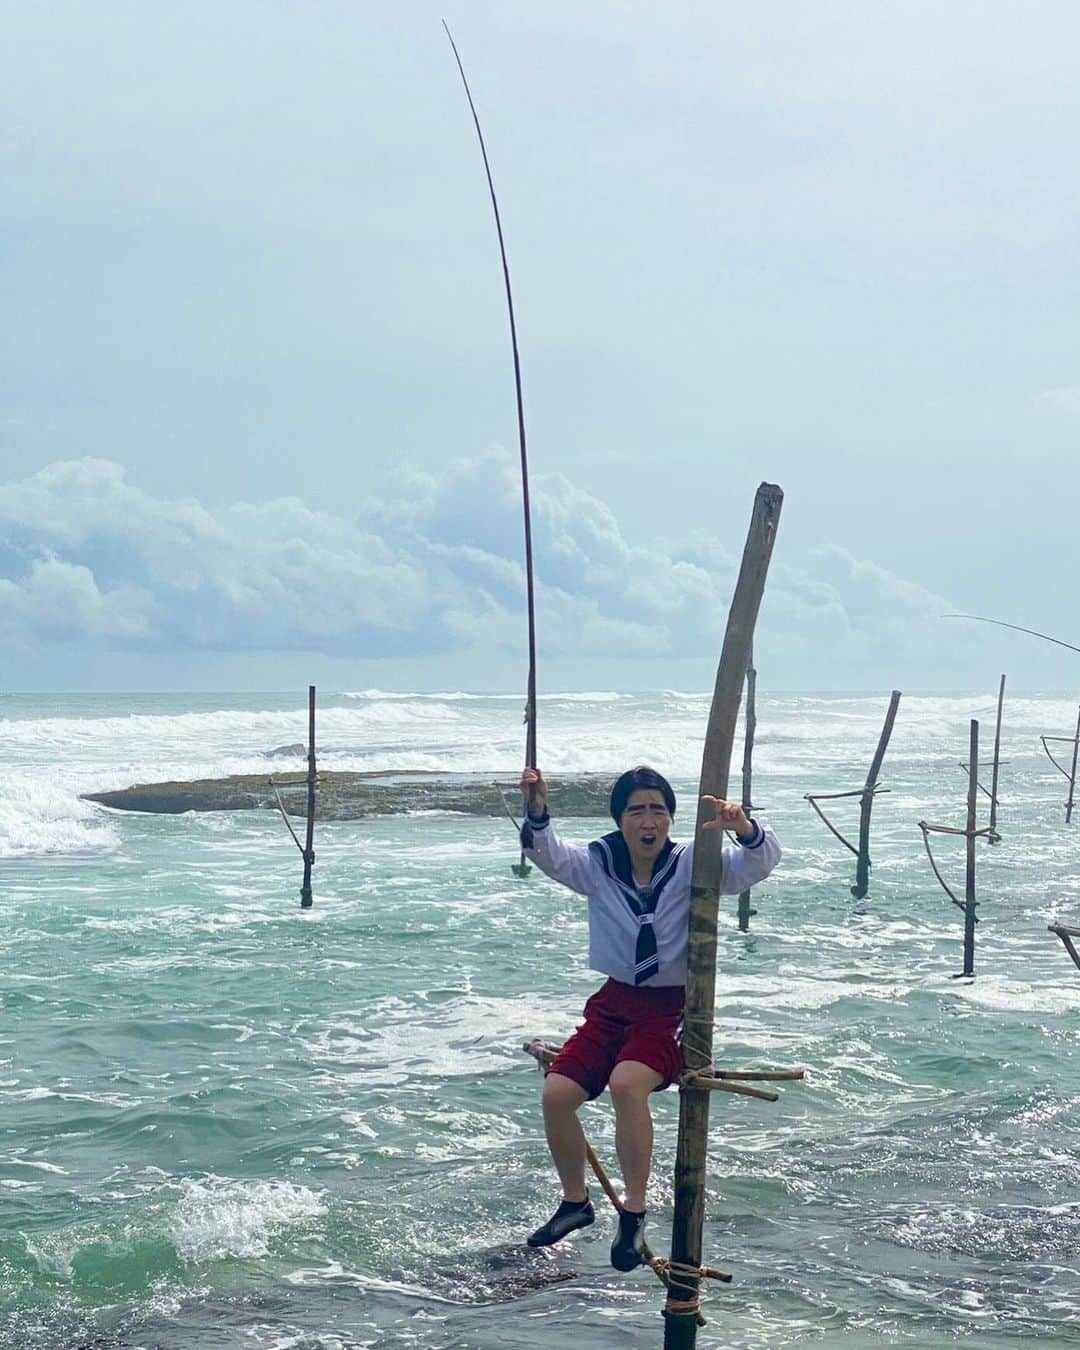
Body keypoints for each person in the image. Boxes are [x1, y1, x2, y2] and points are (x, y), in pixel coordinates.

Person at [518, 763, 780, 1271]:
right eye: (636, 810)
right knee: (557, 1094)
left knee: (626, 1083)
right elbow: (548, 854)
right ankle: (576, 1202)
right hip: (614, 1003)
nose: (648, 821)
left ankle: (633, 1216)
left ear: (671, 820)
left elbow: (756, 866)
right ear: (620, 819)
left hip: (671, 1008)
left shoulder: (692, 862)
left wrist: (744, 828)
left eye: (658, 811)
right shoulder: (599, 863)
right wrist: (537, 810)